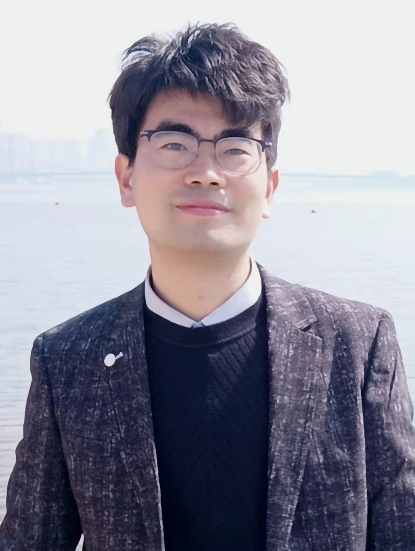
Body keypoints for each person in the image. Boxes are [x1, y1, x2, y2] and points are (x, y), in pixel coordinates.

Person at [0, 22, 414, 551]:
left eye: (235, 147)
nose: (206, 172)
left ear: (270, 186)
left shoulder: (357, 344)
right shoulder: (68, 359)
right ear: (126, 178)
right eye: (175, 143)